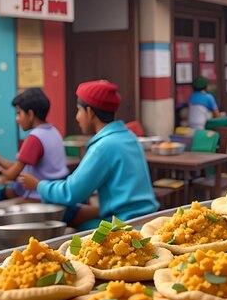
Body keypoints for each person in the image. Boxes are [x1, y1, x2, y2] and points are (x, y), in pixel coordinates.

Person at [19, 80, 159, 231]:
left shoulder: (103, 146)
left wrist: (38, 185)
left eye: (79, 110)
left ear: (90, 112)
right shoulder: (128, 136)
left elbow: (71, 193)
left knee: (70, 232)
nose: (77, 117)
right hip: (146, 217)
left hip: (124, 224)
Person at [0, 88, 69, 202]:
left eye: (18, 113)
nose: (16, 119)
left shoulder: (34, 138)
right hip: (54, 193)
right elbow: (19, 168)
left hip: (38, 197)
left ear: (30, 114)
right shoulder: (53, 131)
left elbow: (11, 175)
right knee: (0, 195)